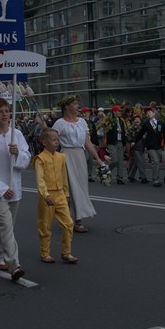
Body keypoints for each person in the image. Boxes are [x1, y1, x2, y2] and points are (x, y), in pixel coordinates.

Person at [0, 98, 31, 281]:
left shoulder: (16, 134)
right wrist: (1, 189)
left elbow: (26, 159)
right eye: (0, 111)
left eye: (6, 111)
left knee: (8, 226)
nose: (4, 114)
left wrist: (18, 154)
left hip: (14, 187)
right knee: (6, 225)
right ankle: (14, 265)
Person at [52, 95, 106, 232]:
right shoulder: (59, 123)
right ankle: (74, 220)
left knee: (81, 187)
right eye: (75, 104)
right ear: (66, 106)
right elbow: (52, 141)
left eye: (77, 104)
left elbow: (87, 142)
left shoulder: (82, 122)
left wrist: (98, 159)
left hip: (80, 155)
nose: (78, 106)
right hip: (66, 155)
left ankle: (76, 217)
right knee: (70, 188)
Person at [34, 128, 77, 264]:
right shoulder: (40, 159)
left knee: (69, 223)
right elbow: (40, 180)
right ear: (44, 142)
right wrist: (45, 195)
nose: (57, 142)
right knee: (45, 225)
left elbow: (64, 176)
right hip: (47, 196)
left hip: (60, 195)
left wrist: (66, 193)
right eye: (53, 140)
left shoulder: (61, 157)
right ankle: (45, 253)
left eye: (57, 139)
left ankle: (66, 252)